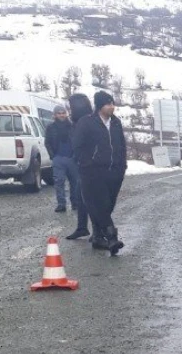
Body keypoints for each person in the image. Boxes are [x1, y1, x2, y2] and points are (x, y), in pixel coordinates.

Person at [73, 91, 126, 255]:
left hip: (114, 171)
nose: (112, 107)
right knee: (101, 204)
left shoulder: (116, 123)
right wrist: (87, 162)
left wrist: (122, 165)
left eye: (112, 103)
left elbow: (122, 145)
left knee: (109, 204)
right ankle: (111, 237)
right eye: (108, 104)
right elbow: (77, 145)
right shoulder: (87, 123)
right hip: (94, 171)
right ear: (100, 106)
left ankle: (97, 236)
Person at [63, 93, 94, 240]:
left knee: (92, 199)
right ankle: (82, 228)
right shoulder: (78, 121)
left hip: (91, 165)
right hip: (82, 164)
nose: (69, 110)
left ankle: (98, 232)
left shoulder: (86, 121)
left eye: (71, 107)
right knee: (81, 196)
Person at [44, 104, 82, 215]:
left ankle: (75, 203)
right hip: (58, 159)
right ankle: (61, 204)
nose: (61, 115)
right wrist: (53, 156)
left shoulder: (73, 126)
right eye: (59, 113)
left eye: (63, 113)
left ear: (66, 114)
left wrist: (76, 155)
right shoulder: (50, 128)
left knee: (75, 182)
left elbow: (78, 141)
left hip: (72, 159)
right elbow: (47, 142)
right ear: (55, 115)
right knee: (59, 182)